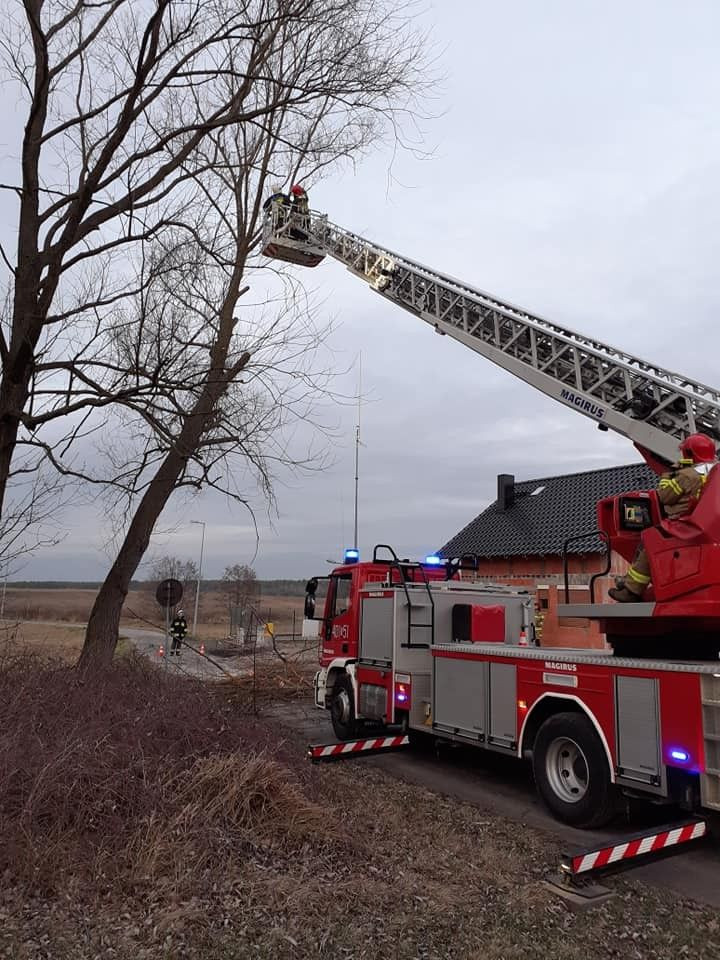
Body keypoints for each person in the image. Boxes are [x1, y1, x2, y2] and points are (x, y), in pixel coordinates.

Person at [609, 433, 718, 603]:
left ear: (689, 454)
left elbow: (665, 497)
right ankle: (629, 580)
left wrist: (668, 475)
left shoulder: (686, 475)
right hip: (710, 524)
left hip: (686, 523)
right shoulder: (715, 472)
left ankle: (631, 590)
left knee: (650, 539)